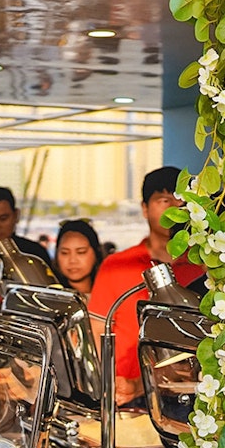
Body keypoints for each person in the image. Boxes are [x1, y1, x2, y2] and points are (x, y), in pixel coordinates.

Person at [88, 167, 204, 405]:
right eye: (164, 200)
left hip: (194, 396)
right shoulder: (117, 265)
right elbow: (96, 331)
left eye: (181, 199)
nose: (174, 207)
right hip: (129, 396)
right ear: (144, 208)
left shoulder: (205, 266)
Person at [53, 219, 103, 297]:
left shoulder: (112, 294)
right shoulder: (49, 296)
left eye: (81, 252)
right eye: (65, 253)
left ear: (96, 253)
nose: (72, 260)